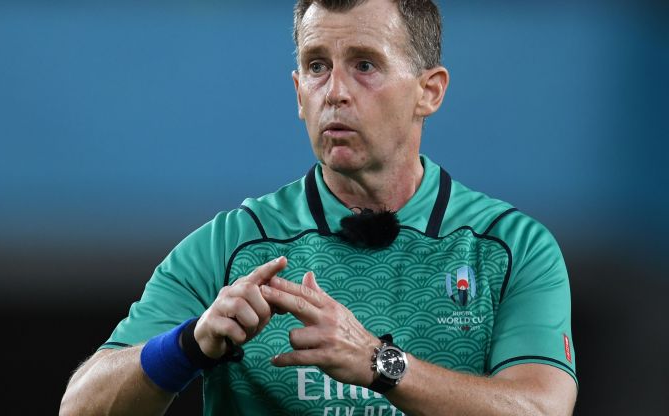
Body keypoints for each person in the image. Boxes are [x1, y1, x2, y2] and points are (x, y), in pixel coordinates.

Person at [60, 0, 578, 414]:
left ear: (429, 91)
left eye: (365, 65)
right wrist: (188, 346)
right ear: (297, 93)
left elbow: (539, 408)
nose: (335, 92)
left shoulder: (511, 248)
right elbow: (81, 407)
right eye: (316, 67)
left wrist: (380, 363)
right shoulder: (230, 246)